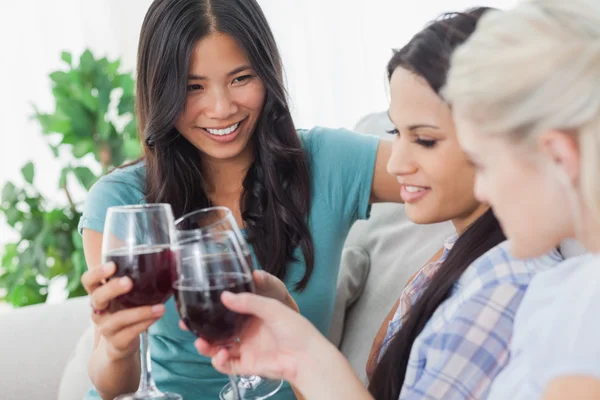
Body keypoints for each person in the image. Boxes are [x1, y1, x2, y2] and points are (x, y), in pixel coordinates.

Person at [194, 8, 564, 400]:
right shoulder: (459, 257)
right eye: (395, 133)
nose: (394, 163)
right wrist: (292, 337)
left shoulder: (501, 286)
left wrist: (302, 351)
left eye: (424, 139)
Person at [78, 0, 402, 398]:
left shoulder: (327, 162)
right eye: (192, 86)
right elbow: (114, 387)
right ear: (160, 90)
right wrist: (115, 347)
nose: (221, 108)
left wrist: (443, 266)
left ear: (267, 73)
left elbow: (452, 168)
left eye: (241, 78)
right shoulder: (120, 201)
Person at [443, 0, 600, 399]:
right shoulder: (562, 290)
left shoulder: (586, 313)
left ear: (558, 157)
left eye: (483, 163)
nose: (481, 190)